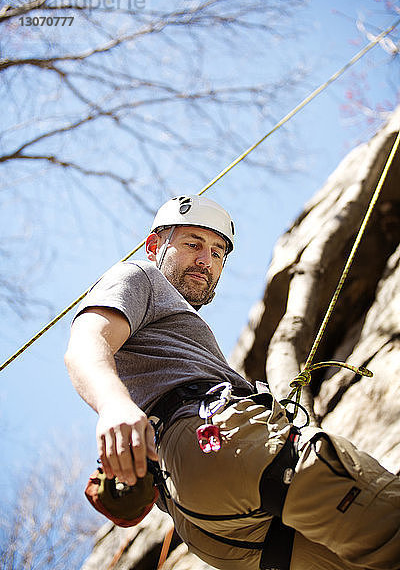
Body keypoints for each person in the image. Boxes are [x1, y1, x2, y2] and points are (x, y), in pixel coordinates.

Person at [65, 195, 400, 570]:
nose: (206, 260)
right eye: (193, 243)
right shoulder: (138, 276)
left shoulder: (179, 330)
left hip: (207, 521)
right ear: (154, 245)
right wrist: (113, 405)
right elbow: (86, 343)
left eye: (218, 253)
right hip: (218, 442)